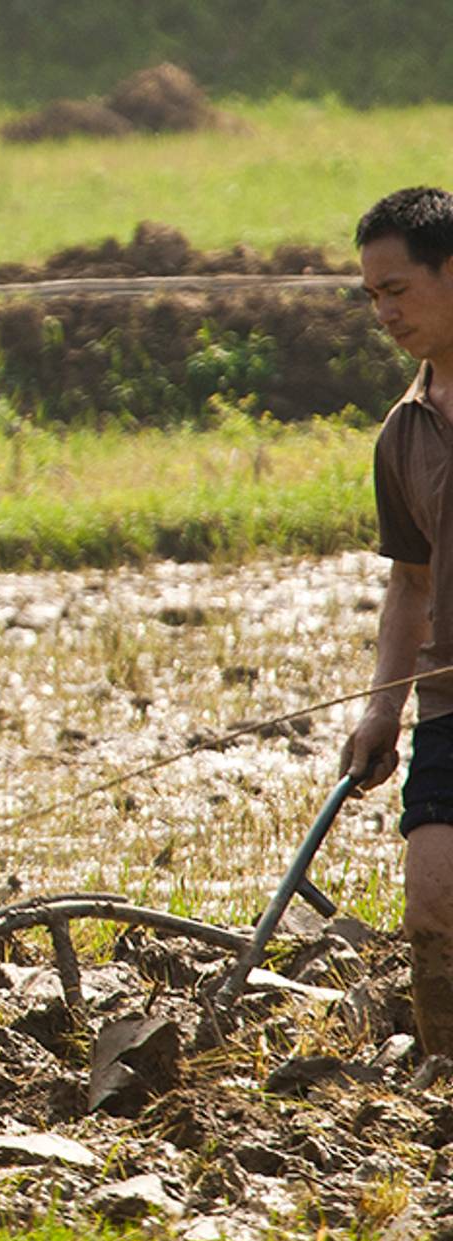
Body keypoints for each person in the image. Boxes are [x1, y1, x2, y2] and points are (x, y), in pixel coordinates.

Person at [342, 186, 453, 1059]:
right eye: (373, 295)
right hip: (450, 703)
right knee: (432, 900)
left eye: (398, 291)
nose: (384, 313)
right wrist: (383, 708)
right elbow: (410, 585)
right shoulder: (403, 434)